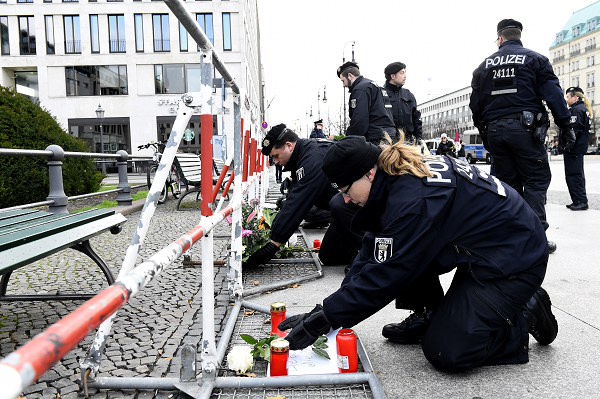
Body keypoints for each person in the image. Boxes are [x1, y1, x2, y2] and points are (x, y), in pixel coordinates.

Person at [278, 135, 558, 373]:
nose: (347, 200)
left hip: (513, 260)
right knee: (406, 252)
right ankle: (430, 313)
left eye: (347, 191)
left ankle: (525, 311)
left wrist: (326, 318)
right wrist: (327, 309)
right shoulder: (394, 180)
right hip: (483, 248)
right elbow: (375, 252)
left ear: (369, 173)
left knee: (447, 352)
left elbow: (386, 274)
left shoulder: (413, 201)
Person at [469, 18, 576, 254]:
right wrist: (565, 125)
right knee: (536, 181)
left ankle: (510, 236)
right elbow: (553, 94)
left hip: (495, 132)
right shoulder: (535, 59)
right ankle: (535, 237)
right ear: (519, 36)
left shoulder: (483, 67)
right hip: (526, 131)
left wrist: (484, 132)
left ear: (500, 38)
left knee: (506, 185)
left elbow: (475, 105)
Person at [243, 124, 362, 268]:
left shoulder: (313, 158)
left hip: (362, 208)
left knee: (338, 204)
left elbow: (298, 202)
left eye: (276, 156)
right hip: (344, 212)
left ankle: (369, 252)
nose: (276, 162)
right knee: (329, 256)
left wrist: (274, 243)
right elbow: (294, 198)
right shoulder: (303, 155)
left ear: (288, 146)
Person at [337, 61, 397, 144]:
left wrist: (347, 140)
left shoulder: (360, 89)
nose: (343, 85)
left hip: (375, 138)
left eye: (343, 81)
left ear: (350, 76)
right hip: (389, 136)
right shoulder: (375, 85)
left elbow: (359, 121)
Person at [382, 62, 423, 145]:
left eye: (405, 72)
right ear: (392, 76)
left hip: (408, 143)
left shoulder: (408, 94)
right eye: (402, 73)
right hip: (388, 143)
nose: (405, 76)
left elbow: (416, 119)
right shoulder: (380, 94)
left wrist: (419, 139)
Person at [564, 86, 591, 211]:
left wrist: (567, 147)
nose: (566, 98)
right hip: (578, 149)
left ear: (575, 98)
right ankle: (578, 200)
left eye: (568, 96)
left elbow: (574, 132)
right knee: (577, 175)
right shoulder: (582, 109)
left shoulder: (576, 110)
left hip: (574, 150)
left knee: (573, 175)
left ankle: (580, 201)